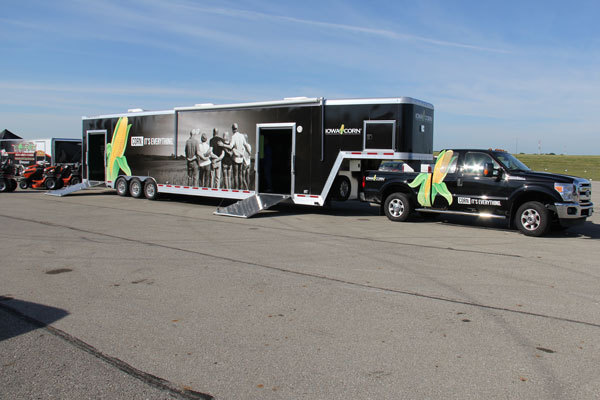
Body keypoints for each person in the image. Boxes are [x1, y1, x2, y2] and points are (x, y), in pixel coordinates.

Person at [230, 123, 251, 189]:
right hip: (241, 159)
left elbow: (230, 146)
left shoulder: (233, 137)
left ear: (232, 129)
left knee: (235, 175)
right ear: (237, 128)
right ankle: (240, 188)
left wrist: (223, 145)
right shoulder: (242, 136)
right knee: (240, 175)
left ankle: (236, 189)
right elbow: (246, 145)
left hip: (235, 159)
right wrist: (249, 152)